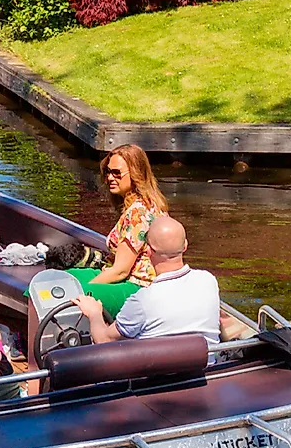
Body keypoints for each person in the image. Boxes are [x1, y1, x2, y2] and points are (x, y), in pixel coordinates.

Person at [78, 215, 222, 343]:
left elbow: (103, 339)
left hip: (158, 373)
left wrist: (94, 313)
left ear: (147, 251)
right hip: (207, 369)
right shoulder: (209, 281)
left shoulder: (141, 301)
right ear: (185, 246)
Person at [67, 144, 167, 321]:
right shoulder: (150, 204)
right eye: (107, 172)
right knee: (62, 278)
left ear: (136, 174)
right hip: (131, 280)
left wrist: (86, 289)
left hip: (137, 288)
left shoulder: (138, 213)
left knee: (66, 294)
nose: (109, 178)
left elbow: (120, 271)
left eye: (117, 173)